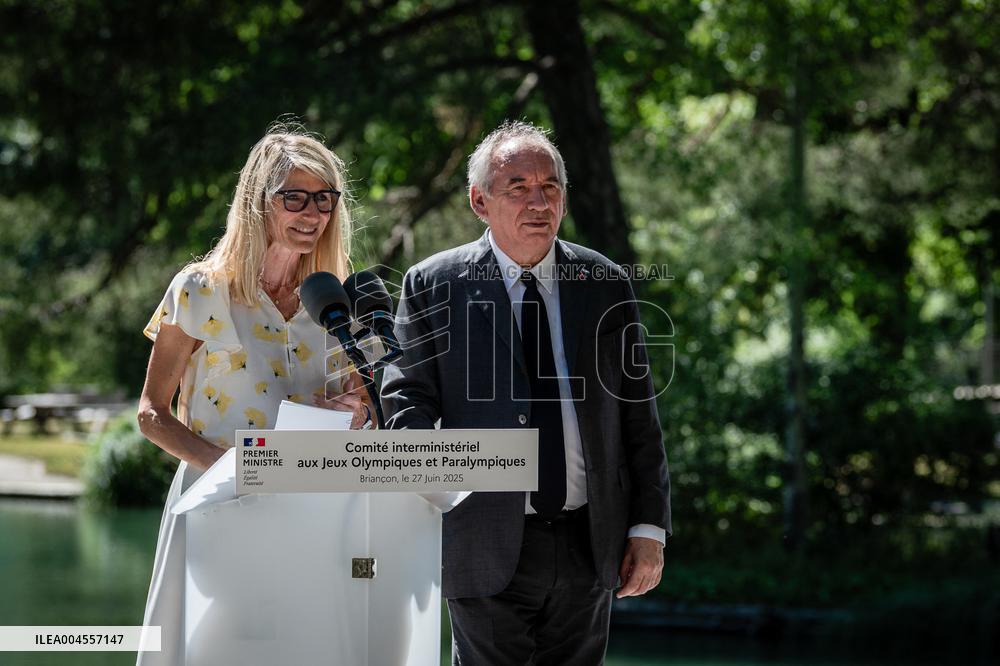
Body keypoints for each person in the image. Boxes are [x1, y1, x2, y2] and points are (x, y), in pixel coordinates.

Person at [381, 120, 671, 665]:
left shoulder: (604, 281)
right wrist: (441, 488)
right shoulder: (431, 285)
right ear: (479, 201)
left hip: (590, 541)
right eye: (518, 187)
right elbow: (406, 406)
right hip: (481, 536)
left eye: (550, 187)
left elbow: (638, 419)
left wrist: (649, 527)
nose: (538, 202)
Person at [135, 126, 370, 665]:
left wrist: (354, 413)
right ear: (257, 201)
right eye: (295, 198)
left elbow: (365, 410)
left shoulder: (336, 297)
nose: (312, 213)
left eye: (324, 199)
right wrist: (233, 474)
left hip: (315, 510)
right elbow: (151, 415)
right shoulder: (200, 288)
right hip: (218, 504)